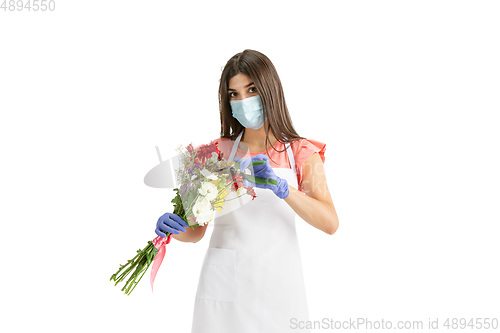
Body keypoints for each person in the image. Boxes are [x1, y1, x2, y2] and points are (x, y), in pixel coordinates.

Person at [155, 49, 339, 333]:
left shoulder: (301, 152)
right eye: (234, 94)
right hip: (223, 288)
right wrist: (176, 228)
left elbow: (329, 223)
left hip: (279, 286)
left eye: (251, 90)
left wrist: (284, 189)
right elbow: (197, 231)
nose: (243, 101)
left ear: (270, 89)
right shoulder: (215, 153)